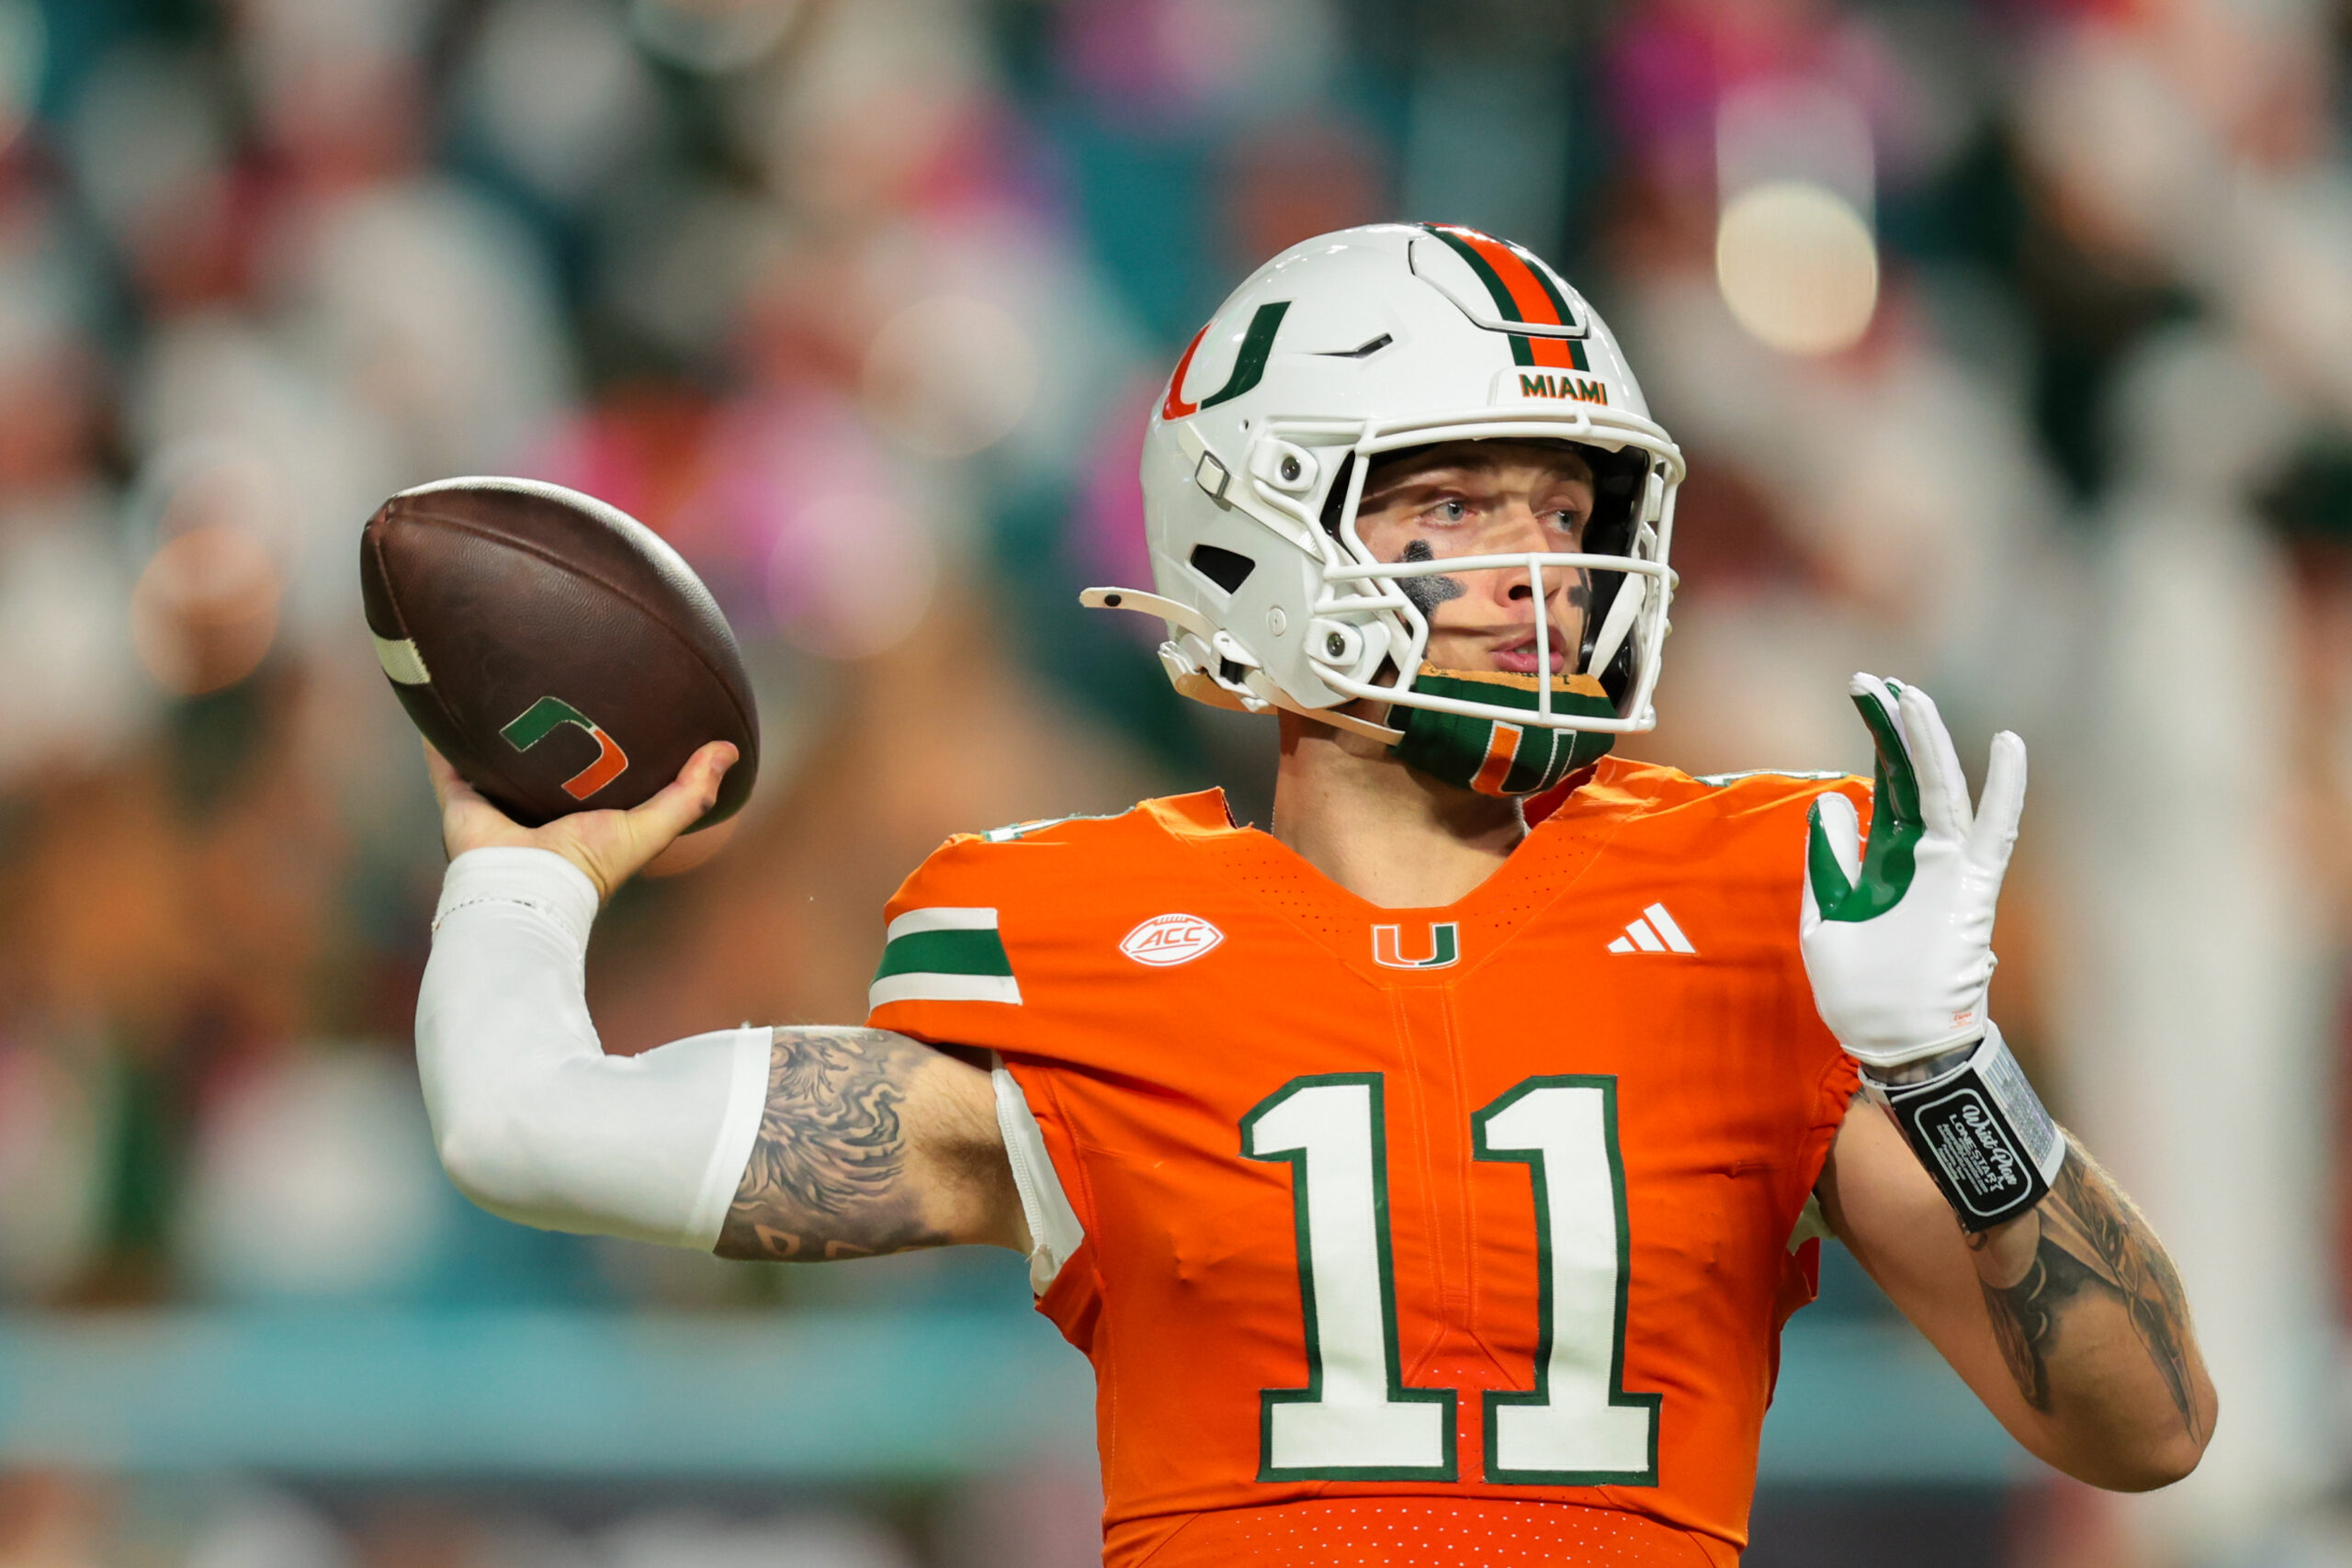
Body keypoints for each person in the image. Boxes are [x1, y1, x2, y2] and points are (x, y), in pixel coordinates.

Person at [413, 224, 2213, 1566]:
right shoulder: (1088, 943)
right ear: (1247, 534)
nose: (1535, 562)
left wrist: (1954, 1072)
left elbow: (2145, 1429)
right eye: (1451, 500)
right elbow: (523, 1125)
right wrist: (519, 870)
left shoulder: (1752, 898)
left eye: (1559, 499)